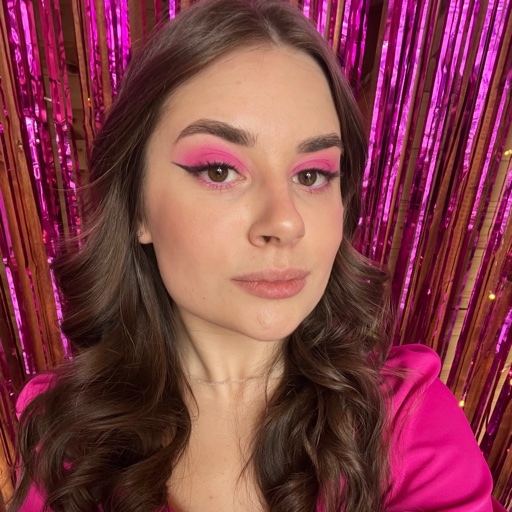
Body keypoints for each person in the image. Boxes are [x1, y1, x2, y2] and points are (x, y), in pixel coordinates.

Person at [8, 0, 505, 511]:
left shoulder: (408, 422)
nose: (285, 222)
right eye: (220, 171)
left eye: (312, 175)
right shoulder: (66, 431)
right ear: (137, 208)